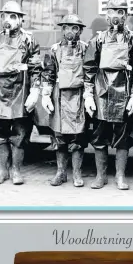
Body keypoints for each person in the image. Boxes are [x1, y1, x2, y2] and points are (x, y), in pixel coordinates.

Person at [0, 0, 40, 186]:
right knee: (0, 135)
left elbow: (36, 68)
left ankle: (16, 171)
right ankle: (3, 171)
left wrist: (35, 90)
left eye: (13, 16)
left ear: (20, 20)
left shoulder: (29, 40)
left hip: (20, 91)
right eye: (5, 16)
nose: (8, 20)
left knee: (20, 135)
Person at [83, 0, 133, 190]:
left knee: (122, 137)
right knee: (99, 136)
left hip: (123, 94)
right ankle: (101, 176)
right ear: (106, 15)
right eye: (112, 12)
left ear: (126, 15)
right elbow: (89, 69)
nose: (116, 16)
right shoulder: (98, 39)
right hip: (101, 94)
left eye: (120, 12)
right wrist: (88, 96)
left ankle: (120, 176)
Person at [41, 14, 89, 187]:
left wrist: (89, 95)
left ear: (81, 30)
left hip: (78, 97)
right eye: (66, 27)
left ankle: (77, 173)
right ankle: (61, 173)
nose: (70, 31)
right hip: (59, 96)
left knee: (77, 138)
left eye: (74, 28)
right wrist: (45, 95)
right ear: (62, 29)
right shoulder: (54, 50)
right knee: (59, 137)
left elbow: (90, 72)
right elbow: (48, 73)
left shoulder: (86, 49)